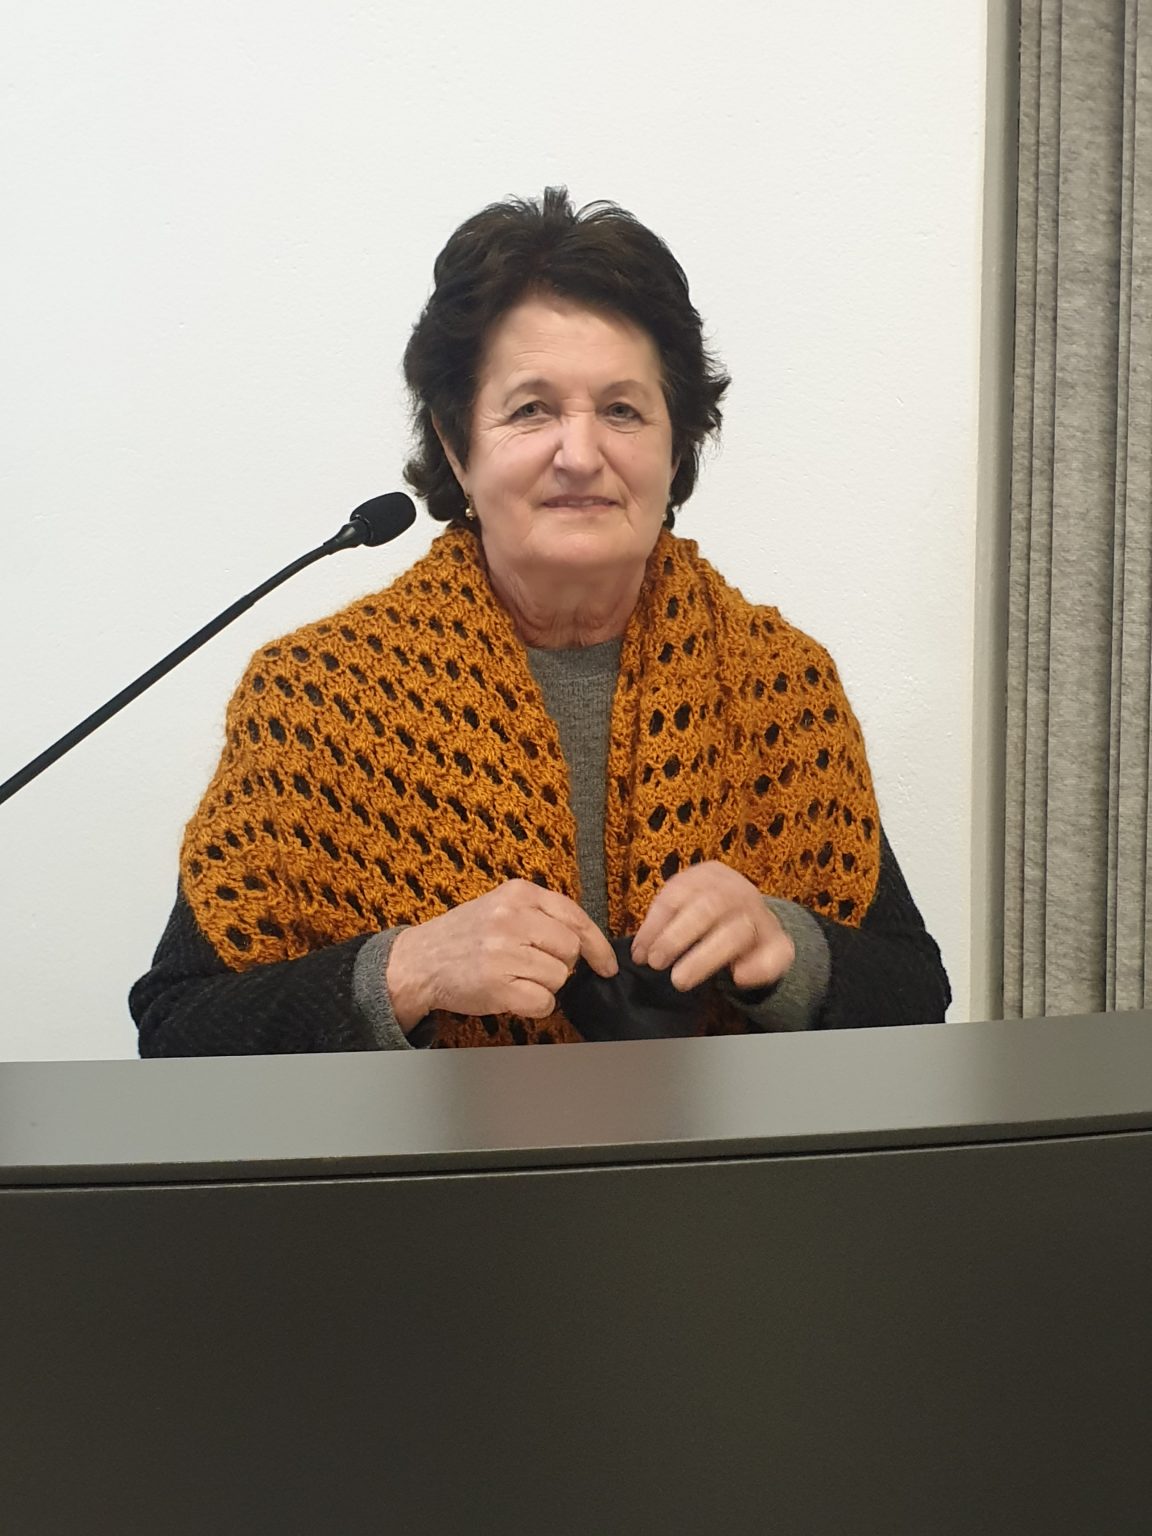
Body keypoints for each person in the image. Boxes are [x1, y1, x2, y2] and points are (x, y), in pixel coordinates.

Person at [131, 188, 950, 1055]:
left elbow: (917, 995)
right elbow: (178, 1029)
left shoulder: (780, 683)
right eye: (531, 410)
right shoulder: (315, 698)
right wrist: (407, 972)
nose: (581, 454)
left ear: (676, 445)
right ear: (457, 447)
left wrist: (789, 952)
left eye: (623, 410)